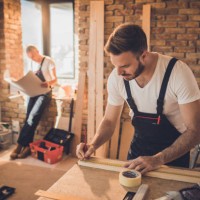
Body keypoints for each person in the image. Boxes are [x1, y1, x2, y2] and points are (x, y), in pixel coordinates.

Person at [76, 23, 200, 174]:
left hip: (174, 157)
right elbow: (109, 121)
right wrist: (93, 145)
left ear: (143, 55)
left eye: (125, 66)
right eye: (115, 66)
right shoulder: (118, 77)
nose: (119, 73)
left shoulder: (177, 73)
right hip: (138, 154)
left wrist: (158, 159)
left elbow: (195, 130)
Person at [10, 45, 57, 159]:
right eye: (31, 58)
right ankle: (27, 147)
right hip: (33, 93)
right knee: (29, 120)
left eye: (34, 57)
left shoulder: (48, 61)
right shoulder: (31, 63)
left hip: (45, 93)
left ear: (37, 51)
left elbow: (55, 79)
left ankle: (19, 145)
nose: (33, 60)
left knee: (32, 118)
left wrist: (48, 83)